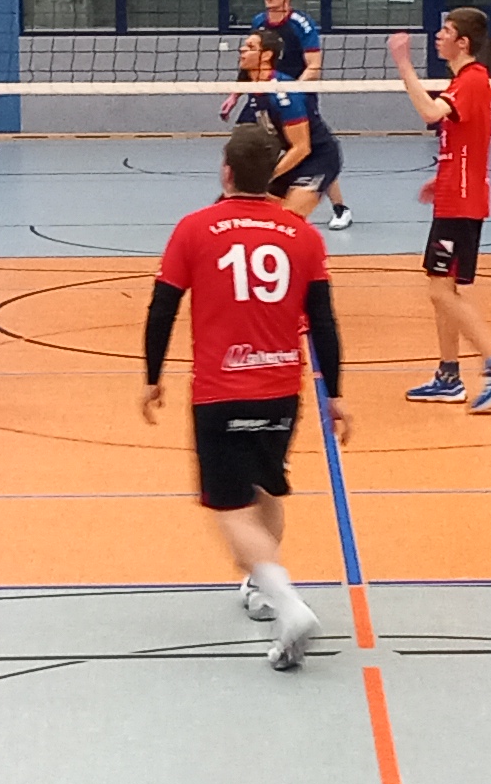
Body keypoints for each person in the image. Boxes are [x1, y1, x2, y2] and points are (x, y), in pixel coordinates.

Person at [139, 120, 350, 672]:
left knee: (230, 508)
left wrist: (152, 375)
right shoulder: (303, 235)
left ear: (226, 172)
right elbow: (323, 321)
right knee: (265, 487)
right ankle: (261, 588)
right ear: (273, 176)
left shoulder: (194, 229)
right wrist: (336, 392)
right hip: (281, 391)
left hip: (221, 392)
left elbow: (163, 307)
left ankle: (288, 604)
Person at [388, 9, 491, 412]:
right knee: (442, 289)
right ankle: (449, 377)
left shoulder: (472, 80)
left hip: (461, 204)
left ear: (462, 42)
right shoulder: (465, 82)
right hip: (454, 196)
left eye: (446, 31)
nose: (438, 35)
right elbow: (467, 141)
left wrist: (403, 64)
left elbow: (430, 113)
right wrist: (442, 176)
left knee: (440, 290)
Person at [250, 0, 350, 230]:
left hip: (297, 94)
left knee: (309, 144)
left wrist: (292, 90)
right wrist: (234, 94)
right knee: (273, 143)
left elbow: (314, 65)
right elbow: (253, 62)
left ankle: (339, 207)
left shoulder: (301, 24)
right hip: (267, 93)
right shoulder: (259, 22)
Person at [232, 26, 338, 219]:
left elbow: (302, 147)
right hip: (289, 160)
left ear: (266, 55)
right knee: (258, 216)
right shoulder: (256, 87)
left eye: (250, 47)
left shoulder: (283, 94)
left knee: (289, 220)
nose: (242, 49)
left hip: (317, 158)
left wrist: (267, 175)